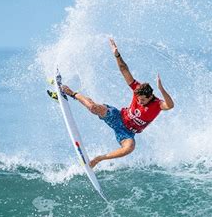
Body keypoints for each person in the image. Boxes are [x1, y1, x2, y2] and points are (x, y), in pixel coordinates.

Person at [61, 38, 174, 168]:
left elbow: (170, 105)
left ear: (150, 97)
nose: (139, 101)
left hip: (126, 132)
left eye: (142, 100)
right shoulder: (137, 89)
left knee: (130, 147)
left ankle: (99, 159)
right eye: (138, 98)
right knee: (93, 107)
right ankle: (72, 93)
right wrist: (117, 54)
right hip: (117, 116)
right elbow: (124, 69)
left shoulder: (158, 104)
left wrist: (162, 89)